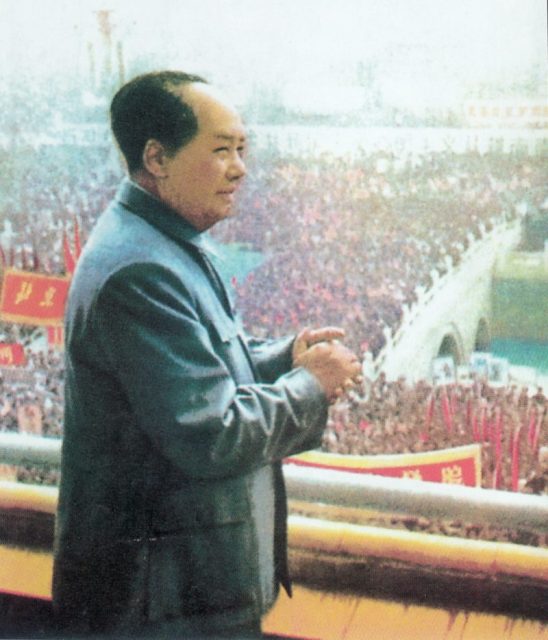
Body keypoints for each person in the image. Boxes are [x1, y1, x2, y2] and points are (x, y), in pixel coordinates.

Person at [52, 70, 362, 639]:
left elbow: (205, 374)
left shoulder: (163, 243)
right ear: (157, 157)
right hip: (155, 608)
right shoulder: (140, 270)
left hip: (179, 596)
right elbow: (210, 433)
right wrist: (312, 385)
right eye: (221, 151)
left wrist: (284, 359)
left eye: (242, 150)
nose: (240, 168)